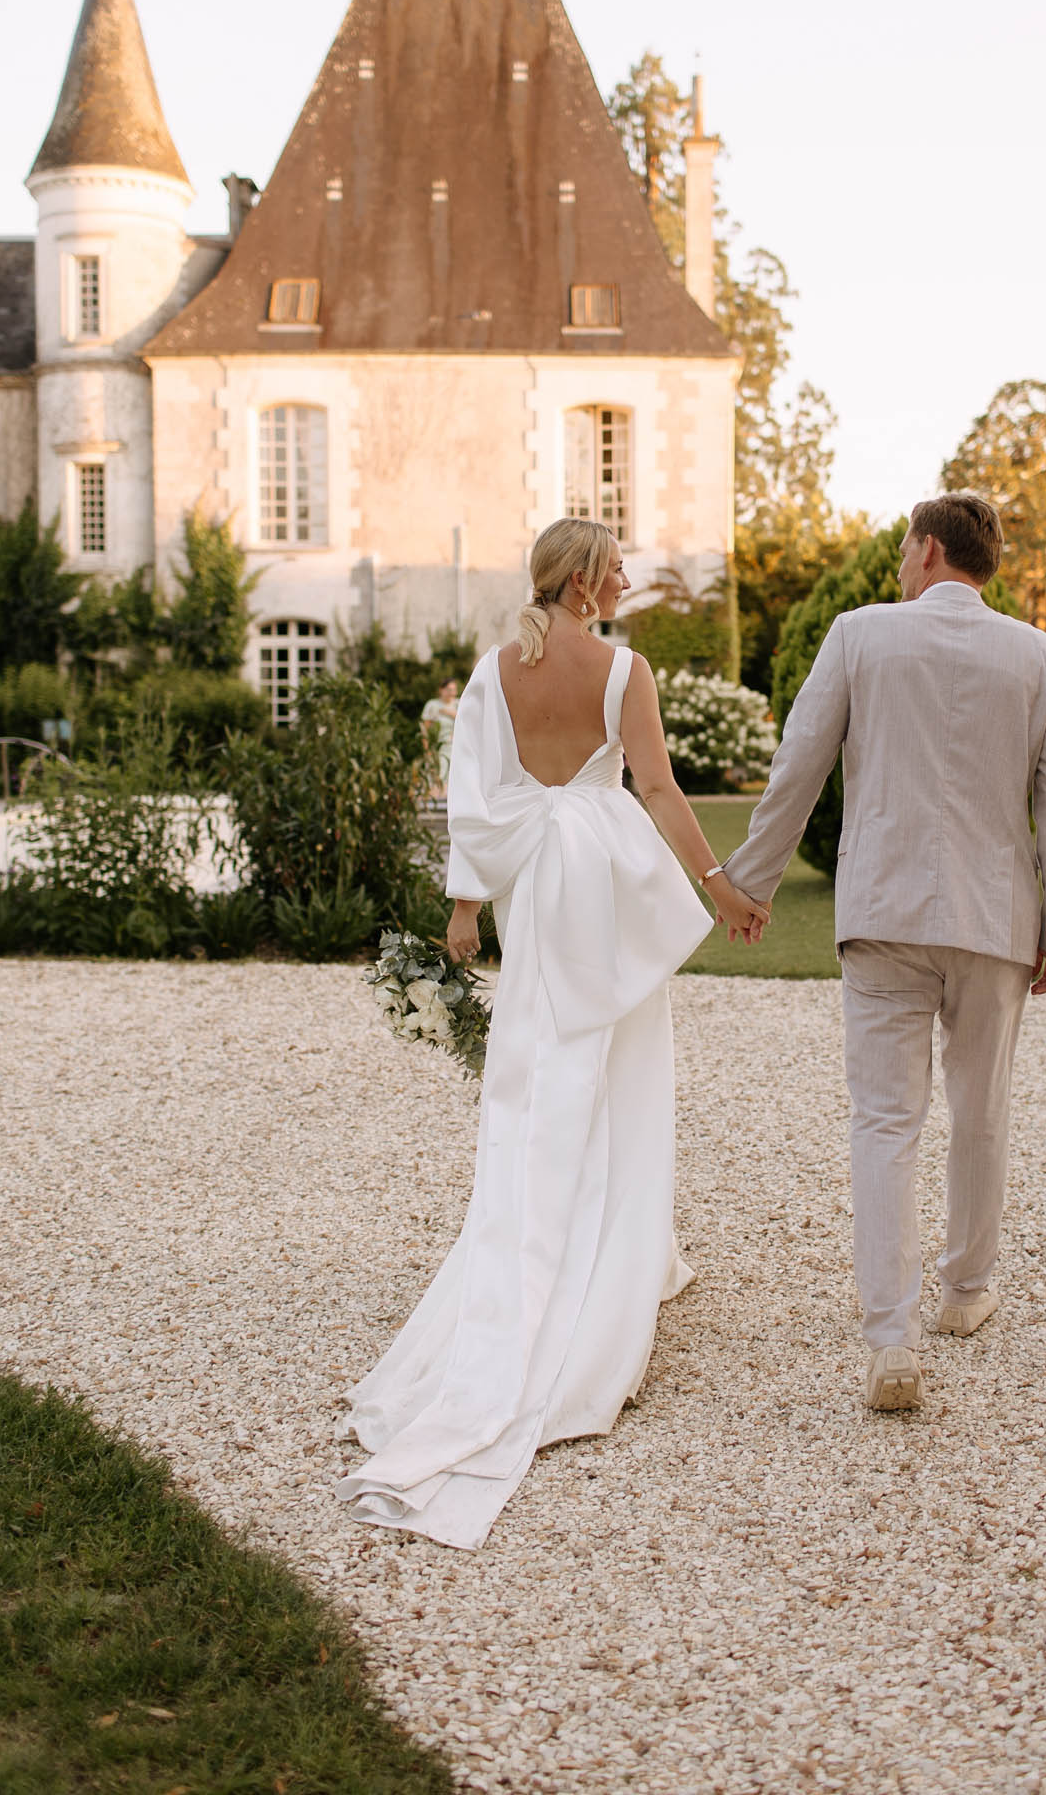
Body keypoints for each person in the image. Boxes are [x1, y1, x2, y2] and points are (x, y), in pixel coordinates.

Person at [337, 517, 769, 1547]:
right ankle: (614, 1264)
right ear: (583, 580)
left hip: (538, 889)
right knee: (620, 1068)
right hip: (606, 888)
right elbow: (656, 788)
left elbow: (472, 793)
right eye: (616, 564)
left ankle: (579, 1240)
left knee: (537, 1078)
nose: (627, 575)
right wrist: (717, 886)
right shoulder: (625, 670)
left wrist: (466, 905)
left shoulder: (494, 671)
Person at [721, 493, 1046, 1413]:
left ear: (929, 551)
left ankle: (889, 1333)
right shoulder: (1039, 657)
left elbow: (798, 764)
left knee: (885, 1121)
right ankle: (964, 1293)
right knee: (980, 1111)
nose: (898, 564)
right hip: (992, 921)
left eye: (902, 549)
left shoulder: (858, 635)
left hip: (882, 914)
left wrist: (750, 880)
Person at [420, 678, 458, 799]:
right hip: (438, 747)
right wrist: (426, 749)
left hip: (456, 746)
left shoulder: (459, 703)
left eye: (453, 689)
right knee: (438, 776)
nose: (451, 692)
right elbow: (425, 729)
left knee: (455, 778)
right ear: (441, 690)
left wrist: (447, 712)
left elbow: (467, 720)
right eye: (448, 689)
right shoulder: (432, 705)